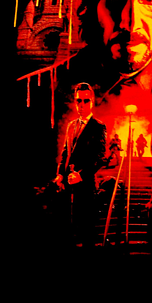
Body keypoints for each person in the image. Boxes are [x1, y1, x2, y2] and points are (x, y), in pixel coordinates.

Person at [54, 83, 107, 246]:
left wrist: (81, 175)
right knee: (69, 229)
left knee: (86, 230)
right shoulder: (71, 126)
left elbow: (100, 157)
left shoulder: (98, 127)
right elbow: (65, 152)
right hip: (68, 186)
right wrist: (60, 174)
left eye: (85, 101)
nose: (81, 105)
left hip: (86, 186)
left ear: (92, 102)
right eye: (78, 101)